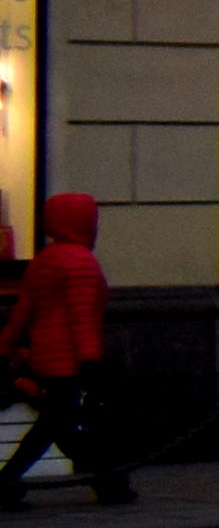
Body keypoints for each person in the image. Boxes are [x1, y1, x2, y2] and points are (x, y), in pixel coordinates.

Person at [0, 191, 126, 505]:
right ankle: (108, 483)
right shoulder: (81, 263)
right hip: (71, 361)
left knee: (57, 425)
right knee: (60, 426)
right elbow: (82, 317)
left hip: (44, 359)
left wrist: (4, 350)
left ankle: (108, 483)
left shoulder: (44, 261)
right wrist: (90, 361)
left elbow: (22, 314)